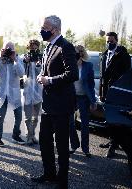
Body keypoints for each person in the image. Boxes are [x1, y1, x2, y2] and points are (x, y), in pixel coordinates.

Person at [31, 15, 78, 189]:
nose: (42, 30)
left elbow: (73, 74)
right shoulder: (48, 47)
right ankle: (49, 173)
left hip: (62, 104)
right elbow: (46, 70)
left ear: (55, 29)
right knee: (44, 140)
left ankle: (62, 180)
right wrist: (42, 77)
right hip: (48, 104)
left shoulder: (66, 46)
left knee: (62, 143)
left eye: (45, 27)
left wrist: (49, 80)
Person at [98, 32, 131, 158]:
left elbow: (126, 75)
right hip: (106, 91)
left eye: (111, 41)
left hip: (117, 91)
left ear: (116, 41)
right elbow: (103, 76)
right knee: (109, 118)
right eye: (107, 41)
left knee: (116, 118)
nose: (109, 43)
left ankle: (113, 145)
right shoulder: (104, 54)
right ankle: (113, 141)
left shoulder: (123, 55)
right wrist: (101, 93)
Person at [0, 41, 25, 147]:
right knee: (1, 116)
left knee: (18, 115)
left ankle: (15, 135)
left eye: (11, 49)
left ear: (14, 50)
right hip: (2, 93)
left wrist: (15, 60)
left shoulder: (17, 59)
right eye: (7, 49)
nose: (9, 51)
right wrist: (1, 58)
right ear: (3, 49)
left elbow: (21, 73)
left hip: (14, 92)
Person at [69, 45, 97, 158]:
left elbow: (91, 85)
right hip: (72, 97)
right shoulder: (70, 65)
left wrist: (93, 101)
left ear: (81, 53)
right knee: (70, 122)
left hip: (84, 97)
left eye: (76, 53)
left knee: (85, 124)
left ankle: (86, 149)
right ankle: (74, 144)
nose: (74, 55)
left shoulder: (88, 66)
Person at [22, 39, 43, 145]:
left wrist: (39, 64)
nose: (34, 49)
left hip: (39, 90)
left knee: (35, 117)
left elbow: (43, 73)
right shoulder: (24, 57)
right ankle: (28, 136)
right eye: (32, 47)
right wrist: (26, 62)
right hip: (28, 90)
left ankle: (33, 134)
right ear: (28, 48)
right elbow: (22, 72)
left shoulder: (41, 58)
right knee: (28, 117)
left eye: (35, 47)